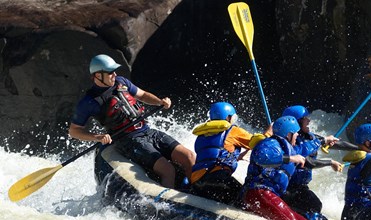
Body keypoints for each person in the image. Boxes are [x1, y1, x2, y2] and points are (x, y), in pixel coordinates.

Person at [69, 54, 195, 188]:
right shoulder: (89, 101)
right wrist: (98, 137)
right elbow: (74, 131)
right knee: (167, 170)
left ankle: (198, 193)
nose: (115, 74)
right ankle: (169, 206)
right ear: (98, 76)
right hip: (128, 140)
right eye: (110, 72)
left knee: (189, 156)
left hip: (148, 132)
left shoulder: (121, 82)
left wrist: (160, 101)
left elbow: (143, 95)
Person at [241, 115, 313, 220]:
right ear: (288, 134)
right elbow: (262, 157)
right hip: (258, 193)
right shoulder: (270, 143)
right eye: (296, 133)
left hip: (270, 195)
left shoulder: (287, 148)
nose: (298, 135)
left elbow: (305, 148)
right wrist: (290, 158)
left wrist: (324, 141)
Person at [190, 102, 270, 204]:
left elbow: (213, 156)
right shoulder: (233, 131)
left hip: (196, 181)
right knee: (246, 200)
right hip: (218, 179)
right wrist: (268, 133)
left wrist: (236, 156)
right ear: (228, 118)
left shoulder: (201, 135)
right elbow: (259, 143)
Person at [279, 105, 352, 215]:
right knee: (314, 204)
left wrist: (362, 148)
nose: (309, 120)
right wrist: (330, 162)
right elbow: (308, 162)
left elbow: (336, 143)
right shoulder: (290, 142)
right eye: (305, 118)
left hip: (301, 186)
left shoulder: (309, 137)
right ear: (297, 122)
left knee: (315, 204)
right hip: (288, 186)